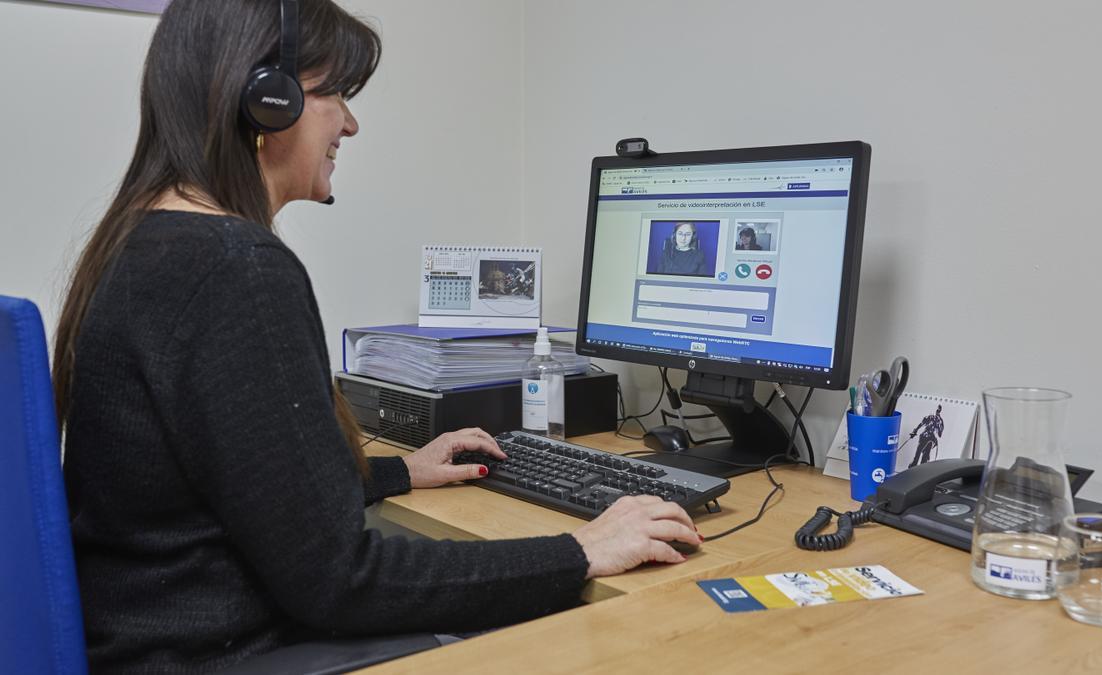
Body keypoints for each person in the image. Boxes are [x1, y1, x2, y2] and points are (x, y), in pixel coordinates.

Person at [53, 2, 699, 672]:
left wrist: (396, 472)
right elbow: (341, 578)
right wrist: (581, 548)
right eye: (332, 93)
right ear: (263, 102)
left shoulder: (142, 242)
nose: (350, 122)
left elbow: (235, 494)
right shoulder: (231, 267)